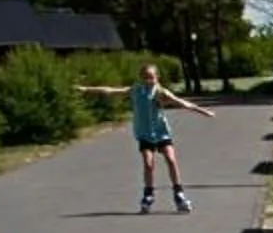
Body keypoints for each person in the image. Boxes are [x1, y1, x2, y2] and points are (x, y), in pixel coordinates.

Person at [78, 62, 214, 212]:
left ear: (157, 77)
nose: (149, 81)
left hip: (161, 132)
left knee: (171, 159)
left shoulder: (161, 93)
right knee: (148, 164)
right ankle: (148, 194)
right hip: (144, 134)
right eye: (145, 78)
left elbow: (181, 103)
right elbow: (110, 91)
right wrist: (86, 89)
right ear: (141, 79)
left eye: (151, 77)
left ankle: (179, 193)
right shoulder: (136, 91)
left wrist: (203, 111)